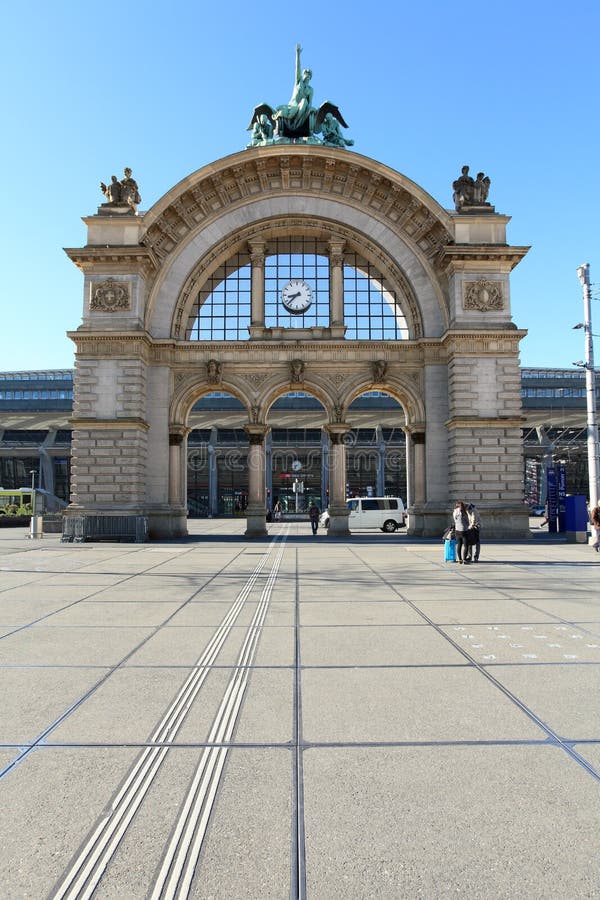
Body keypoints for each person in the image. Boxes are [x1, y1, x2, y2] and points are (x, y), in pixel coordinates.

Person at [273, 44, 315, 137]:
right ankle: (295, 123)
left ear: (310, 77)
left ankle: (296, 123)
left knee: (305, 101)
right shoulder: (298, 82)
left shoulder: (310, 90)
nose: (307, 76)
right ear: (303, 75)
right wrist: (298, 54)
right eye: (305, 74)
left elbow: (310, 102)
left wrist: (310, 111)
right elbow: (297, 67)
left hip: (303, 109)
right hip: (293, 106)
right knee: (303, 101)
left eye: (309, 75)